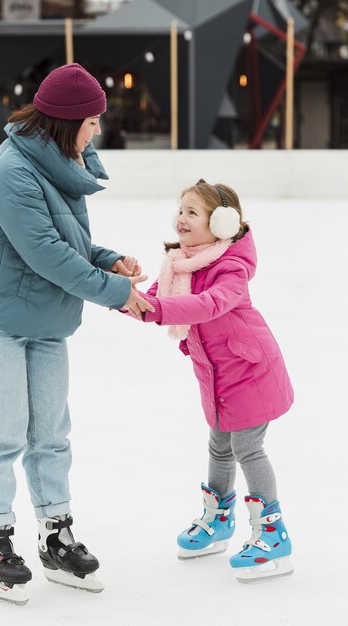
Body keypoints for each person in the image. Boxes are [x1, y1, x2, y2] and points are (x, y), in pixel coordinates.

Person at [0, 63, 154, 605]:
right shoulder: (12, 170)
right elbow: (45, 253)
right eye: (91, 121)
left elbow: (68, 241)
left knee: (51, 433)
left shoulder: (58, 161)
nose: (97, 132)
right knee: (0, 432)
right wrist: (116, 293)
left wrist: (110, 261)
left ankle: (55, 536)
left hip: (41, 320)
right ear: (66, 121)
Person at [122, 179, 294, 583]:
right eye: (180, 210)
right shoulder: (180, 263)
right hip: (216, 374)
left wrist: (154, 309)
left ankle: (274, 534)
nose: (181, 219)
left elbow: (208, 305)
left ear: (221, 223)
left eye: (193, 213)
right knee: (219, 446)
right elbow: (150, 302)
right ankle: (219, 521)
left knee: (247, 448)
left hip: (250, 371)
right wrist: (118, 291)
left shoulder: (230, 267)